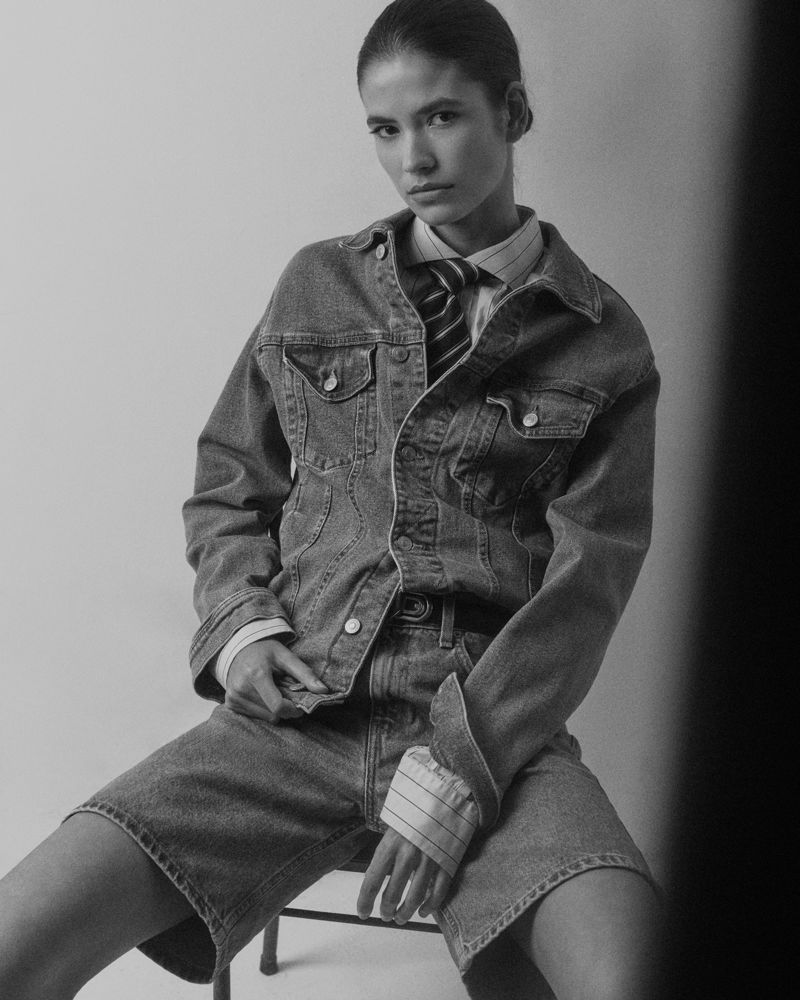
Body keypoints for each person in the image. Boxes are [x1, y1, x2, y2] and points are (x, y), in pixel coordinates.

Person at [0, 1, 662, 997]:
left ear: (514, 112)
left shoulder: (603, 340)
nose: (412, 159)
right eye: (385, 129)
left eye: (441, 117)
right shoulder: (318, 285)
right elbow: (230, 481)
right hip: (294, 719)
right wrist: (242, 629)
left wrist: (456, 769)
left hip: (492, 736)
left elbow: (587, 588)